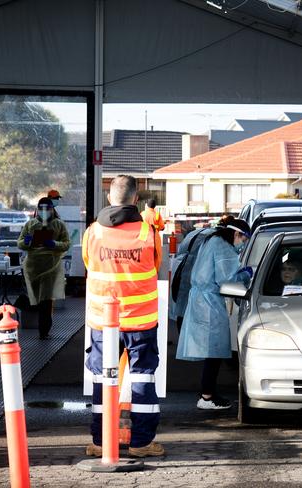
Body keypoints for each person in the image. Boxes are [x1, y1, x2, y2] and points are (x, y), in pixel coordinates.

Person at [82, 175, 164, 458]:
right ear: (135, 200)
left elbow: (87, 263)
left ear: (109, 198)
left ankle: (99, 441)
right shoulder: (147, 233)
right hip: (140, 320)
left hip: (103, 321)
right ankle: (141, 443)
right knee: (143, 379)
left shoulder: (93, 232)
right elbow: (156, 265)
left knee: (103, 379)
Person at [176, 215, 252, 410]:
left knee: (213, 352)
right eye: (243, 240)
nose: (242, 245)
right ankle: (207, 396)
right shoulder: (223, 247)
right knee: (214, 352)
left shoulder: (212, 239)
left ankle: (207, 393)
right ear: (236, 233)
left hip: (203, 300)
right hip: (209, 303)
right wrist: (246, 274)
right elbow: (227, 279)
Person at [17, 198, 70, 339]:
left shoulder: (59, 225)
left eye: (48, 209)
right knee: (33, 299)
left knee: (46, 301)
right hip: (32, 267)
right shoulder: (30, 224)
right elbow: (20, 243)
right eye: (42, 209)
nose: (45, 212)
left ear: (53, 209)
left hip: (50, 268)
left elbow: (66, 244)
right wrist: (26, 242)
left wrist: (54, 244)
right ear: (37, 209)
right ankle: (32, 323)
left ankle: (44, 331)